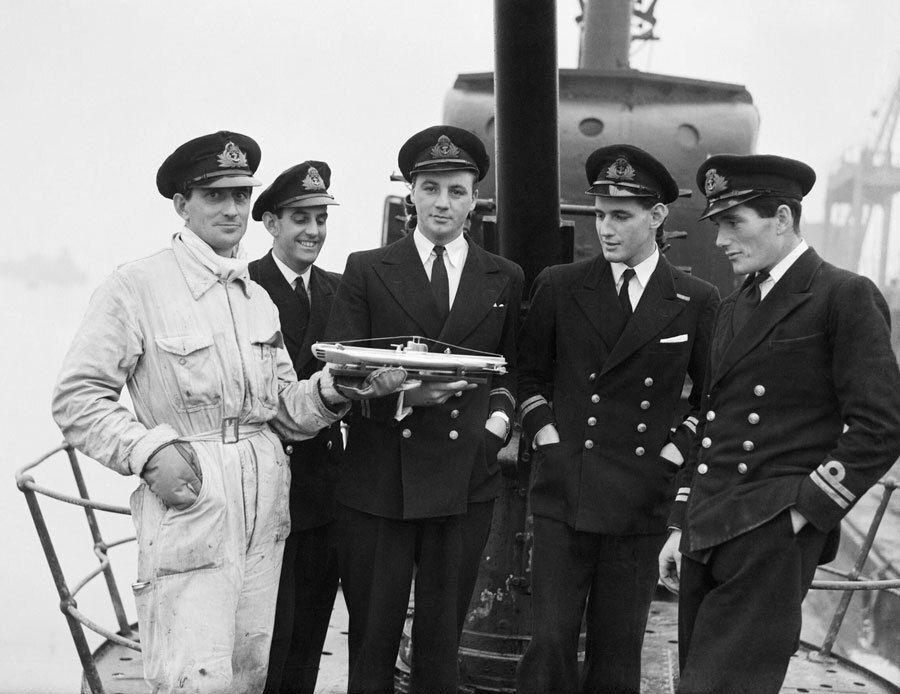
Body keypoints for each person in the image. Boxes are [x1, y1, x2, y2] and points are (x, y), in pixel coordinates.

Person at [51, 131, 400, 694]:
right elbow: (77, 398)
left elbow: (283, 412)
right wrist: (145, 451)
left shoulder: (254, 298)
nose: (232, 209)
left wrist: (337, 390)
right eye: (215, 196)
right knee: (194, 676)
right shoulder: (137, 287)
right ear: (181, 204)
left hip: (266, 505)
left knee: (249, 674)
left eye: (241, 195)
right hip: (192, 498)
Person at [657, 154, 900, 693]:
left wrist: (803, 511)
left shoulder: (842, 295)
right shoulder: (735, 305)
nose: (720, 240)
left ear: (784, 219)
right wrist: (680, 523)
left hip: (770, 531)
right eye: (718, 224)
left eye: (733, 223)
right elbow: (709, 418)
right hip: (709, 528)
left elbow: (881, 426)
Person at [324, 125, 523, 694]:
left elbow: (513, 369)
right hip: (380, 478)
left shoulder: (502, 276)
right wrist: (405, 396)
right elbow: (342, 375)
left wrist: (495, 428)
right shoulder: (367, 269)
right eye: (430, 187)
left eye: (456, 191)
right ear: (410, 193)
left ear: (474, 200)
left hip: (464, 481)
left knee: (441, 647)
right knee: (372, 642)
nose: (442, 203)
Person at [514, 144, 719, 694]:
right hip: (565, 492)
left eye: (621, 216)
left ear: (656, 218)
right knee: (550, 643)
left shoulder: (695, 300)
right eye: (600, 214)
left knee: (617, 654)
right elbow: (526, 377)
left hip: (639, 501)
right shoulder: (560, 286)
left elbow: (710, 399)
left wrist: (675, 451)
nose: (606, 228)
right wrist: (548, 436)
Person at [248, 161, 343, 694]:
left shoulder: (339, 290)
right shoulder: (247, 287)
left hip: (327, 485)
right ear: (271, 224)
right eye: (300, 218)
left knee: (310, 625)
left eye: (320, 219)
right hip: (269, 485)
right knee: (269, 630)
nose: (312, 231)